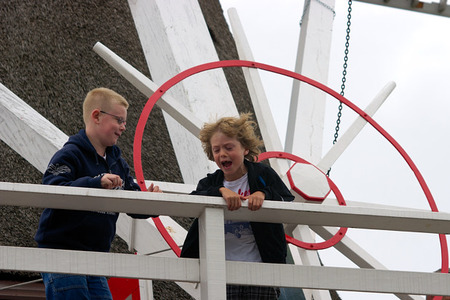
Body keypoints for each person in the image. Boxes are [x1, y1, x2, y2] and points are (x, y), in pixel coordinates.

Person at [34, 87, 161, 299]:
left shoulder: (118, 163)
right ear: (97, 116)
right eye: (119, 120)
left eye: (125, 122)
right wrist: (95, 182)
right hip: (63, 251)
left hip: (96, 257)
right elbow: (53, 189)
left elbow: (131, 200)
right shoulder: (69, 154)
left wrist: (150, 202)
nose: (123, 127)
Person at [180, 113, 294, 299]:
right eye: (216, 150)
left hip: (261, 268)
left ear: (245, 149)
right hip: (222, 269)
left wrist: (263, 194)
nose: (222, 154)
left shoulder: (263, 174)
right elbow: (195, 199)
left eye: (228, 147)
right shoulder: (211, 182)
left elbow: (286, 198)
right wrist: (220, 191)